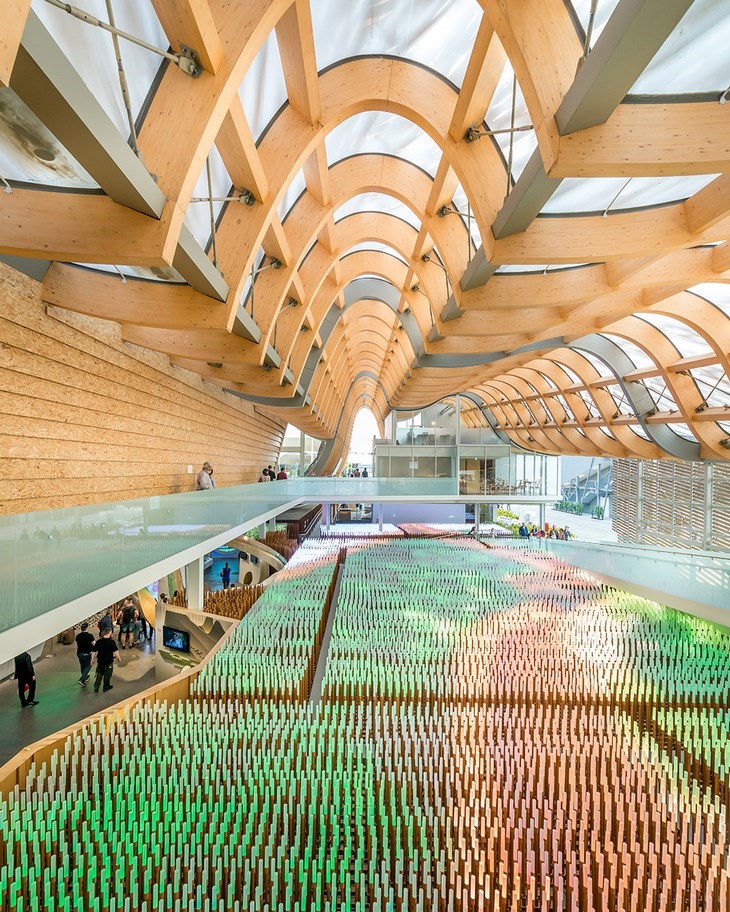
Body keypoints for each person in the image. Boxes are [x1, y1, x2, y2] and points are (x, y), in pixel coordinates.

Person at [91, 628, 121, 693]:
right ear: (109, 633)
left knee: (99, 674)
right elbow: (116, 651)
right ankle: (106, 686)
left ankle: (96, 687)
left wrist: (92, 659)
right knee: (107, 675)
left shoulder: (98, 641)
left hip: (100, 662)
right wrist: (119, 657)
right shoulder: (111, 642)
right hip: (108, 662)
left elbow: (94, 651)